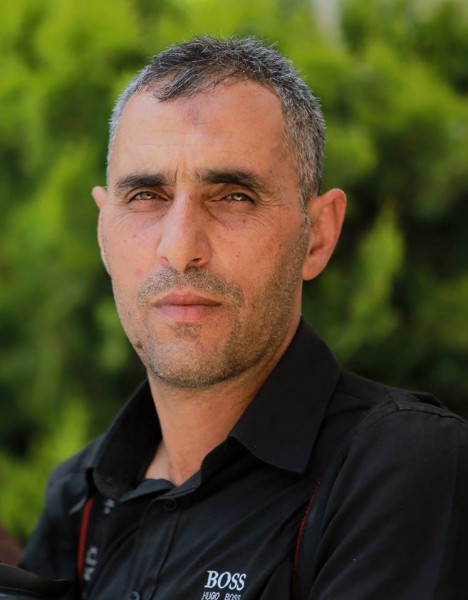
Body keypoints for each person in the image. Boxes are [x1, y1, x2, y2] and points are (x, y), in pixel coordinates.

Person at [20, 36, 468, 599]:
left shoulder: (399, 467)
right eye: (146, 196)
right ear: (104, 235)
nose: (180, 247)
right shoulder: (81, 499)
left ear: (318, 236)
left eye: (233, 196)